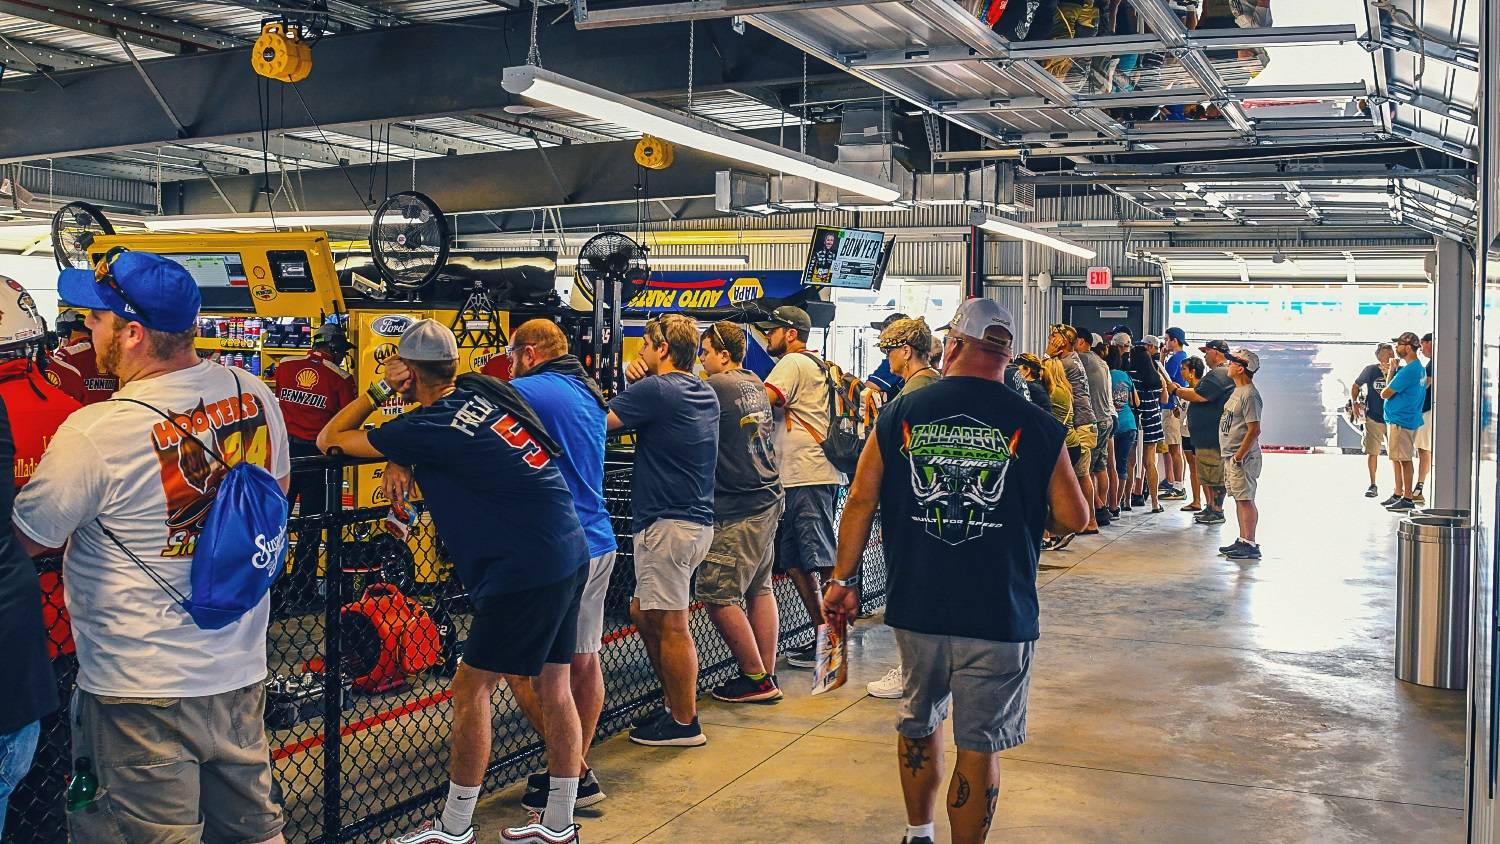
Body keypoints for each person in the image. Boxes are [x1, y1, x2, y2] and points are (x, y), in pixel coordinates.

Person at [15, 250, 290, 843]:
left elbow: (28, 535)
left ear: (132, 333)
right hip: (239, 668)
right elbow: (276, 494)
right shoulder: (252, 392)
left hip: (138, 689)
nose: (86, 334)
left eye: (95, 321)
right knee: (253, 833)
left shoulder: (97, 433)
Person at [823, 298, 1089, 844]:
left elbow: (859, 500)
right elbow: (1075, 515)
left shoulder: (900, 413)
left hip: (919, 602)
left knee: (919, 721)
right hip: (999, 607)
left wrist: (843, 580)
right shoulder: (1035, 423)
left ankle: (918, 833)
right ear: (1007, 356)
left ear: (954, 345)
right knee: (980, 742)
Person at [319, 319, 590, 844]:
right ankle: (559, 822)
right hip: (568, 548)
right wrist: (401, 451)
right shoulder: (480, 396)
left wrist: (379, 392)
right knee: (555, 688)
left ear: (408, 374)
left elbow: (332, 437)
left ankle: (455, 825)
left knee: (471, 689)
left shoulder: (427, 424)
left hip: (523, 568)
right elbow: (432, 435)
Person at [499, 319, 619, 814]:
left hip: (553, 548)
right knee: (584, 660)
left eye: (511, 356)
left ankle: (573, 771)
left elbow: (456, 423)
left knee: (517, 667)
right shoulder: (586, 391)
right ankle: (568, 776)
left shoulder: (526, 391)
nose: (508, 366)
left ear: (528, 353)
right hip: (598, 538)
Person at [610, 313, 719, 745]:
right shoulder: (701, 390)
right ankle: (675, 703)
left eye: (645, 345)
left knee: (673, 624)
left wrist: (628, 380)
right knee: (641, 611)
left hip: (667, 524)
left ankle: (684, 721)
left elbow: (599, 424)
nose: (639, 352)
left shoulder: (656, 389)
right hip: (692, 521)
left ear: (662, 350)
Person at [688, 321, 786, 704]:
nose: (701, 359)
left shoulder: (717, 386)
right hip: (765, 498)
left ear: (723, 355)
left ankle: (756, 679)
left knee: (717, 594)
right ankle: (766, 670)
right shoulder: (753, 382)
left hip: (741, 507)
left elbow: (677, 403)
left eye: (706, 352)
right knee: (760, 589)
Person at [759, 305, 843, 669]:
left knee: (821, 560)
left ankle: (834, 646)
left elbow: (762, 400)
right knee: (794, 561)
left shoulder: (793, 364)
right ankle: (824, 633)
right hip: (799, 476)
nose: (767, 337)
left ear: (790, 333)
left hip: (809, 474)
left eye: (772, 330)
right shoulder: (815, 364)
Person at [866, 317, 944, 701]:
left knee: (912, 593)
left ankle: (913, 671)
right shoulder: (933, 386)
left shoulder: (914, 394)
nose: (886, 359)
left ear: (906, 351)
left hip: (914, 508)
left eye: (888, 350)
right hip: (929, 507)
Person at [273, 322, 355, 602]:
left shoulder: (285, 366)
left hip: (285, 455)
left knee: (276, 521)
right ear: (333, 348)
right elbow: (347, 419)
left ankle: (272, 581)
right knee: (312, 524)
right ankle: (302, 589)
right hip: (318, 458)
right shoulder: (340, 378)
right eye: (341, 350)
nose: (343, 355)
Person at [1166, 340, 1234, 526]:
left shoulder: (1219, 374)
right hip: (1206, 438)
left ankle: (1217, 510)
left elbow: (1198, 395)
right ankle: (1211, 507)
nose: (1205, 356)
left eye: (1207, 352)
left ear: (1218, 353)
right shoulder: (1217, 374)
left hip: (1212, 438)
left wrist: (1177, 390)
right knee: (1208, 474)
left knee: (1215, 475)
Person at [1046, 324, 1098, 533]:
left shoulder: (1065, 363)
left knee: (1079, 474)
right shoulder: (1073, 359)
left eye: (1054, 337)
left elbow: (1040, 374)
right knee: (1082, 474)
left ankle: (1089, 520)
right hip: (1085, 423)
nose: (1050, 339)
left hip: (1081, 425)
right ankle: (1090, 520)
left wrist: (1047, 355)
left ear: (1063, 341)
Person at [1218, 348, 1265, 560]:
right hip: (1232, 455)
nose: (1228, 365)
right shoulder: (1238, 391)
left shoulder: (1250, 395)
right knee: (1239, 498)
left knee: (1245, 498)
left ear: (1240, 367)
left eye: (1231, 363)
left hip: (1242, 458)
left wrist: (1239, 455)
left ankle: (1250, 542)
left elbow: (1254, 429)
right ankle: (1243, 539)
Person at [1379, 331, 1427, 512]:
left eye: (1398, 345)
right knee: (1399, 458)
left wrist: (1391, 370)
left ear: (1408, 347)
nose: (1395, 349)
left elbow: (1385, 393)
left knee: (1405, 460)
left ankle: (1407, 498)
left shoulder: (1409, 371)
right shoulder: (1418, 369)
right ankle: (1398, 493)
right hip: (1405, 418)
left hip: (1401, 420)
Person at [1075, 328, 1115, 528]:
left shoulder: (1081, 359)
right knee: (1100, 467)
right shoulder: (1101, 361)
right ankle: (1102, 506)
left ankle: (1094, 514)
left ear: (1081, 341)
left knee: (1085, 471)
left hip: (1094, 421)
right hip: (1106, 418)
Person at [48, 307, 119, 405]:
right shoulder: (111, 351)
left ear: (64, 332)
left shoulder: (66, 354)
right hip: (110, 412)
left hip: (80, 415)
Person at [1352, 343, 1394, 498]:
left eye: (1391, 351)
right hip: (1373, 417)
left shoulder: (1399, 370)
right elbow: (1356, 385)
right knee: (1372, 451)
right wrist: (1355, 402)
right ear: (1378, 355)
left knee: (1396, 455)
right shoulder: (1370, 370)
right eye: (1385, 351)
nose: (1389, 354)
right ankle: (1373, 484)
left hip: (1393, 418)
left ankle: (1398, 488)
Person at [1129, 340, 1164, 513]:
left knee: (1130, 462)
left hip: (1136, 420)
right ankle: (1155, 503)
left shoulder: (1131, 376)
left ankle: (1127, 501)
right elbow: (1164, 400)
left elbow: (1132, 401)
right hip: (1154, 420)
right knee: (1150, 463)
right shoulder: (1155, 375)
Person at [1158, 327, 1190, 500]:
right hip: (1178, 407)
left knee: (1174, 448)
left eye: (1167, 339)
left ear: (1174, 341)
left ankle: (1178, 486)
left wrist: (1161, 359)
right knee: (1176, 447)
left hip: (1171, 406)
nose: (1165, 343)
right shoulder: (1182, 358)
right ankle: (1178, 484)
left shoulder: (1175, 359)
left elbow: (1162, 379)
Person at [1107, 340, 1138, 515]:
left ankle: (1107, 504)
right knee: (1122, 466)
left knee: (1107, 466)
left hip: (1111, 423)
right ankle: (1116, 505)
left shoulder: (1104, 374)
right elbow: (1135, 401)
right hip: (1129, 423)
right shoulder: (1126, 376)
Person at [880, 317, 941, 396]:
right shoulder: (936, 380)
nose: (887, 356)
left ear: (906, 351)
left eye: (888, 350)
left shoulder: (913, 391)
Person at [1178, 357, 1206, 511]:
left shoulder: (1202, 390)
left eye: (1183, 369)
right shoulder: (1183, 390)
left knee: (1202, 468)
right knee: (1193, 467)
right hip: (1186, 433)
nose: (1181, 372)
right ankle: (1196, 500)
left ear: (1192, 372)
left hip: (1199, 434)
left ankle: (1211, 504)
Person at [1415, 332, 1434, 505]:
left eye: (1423, 345)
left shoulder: (1433, 364)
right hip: (1427, 411)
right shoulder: (1431, 364)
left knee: (1424, 450)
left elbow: (1424, 387)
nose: (1422, 349)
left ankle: (1419, 488)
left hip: (1428, 412)